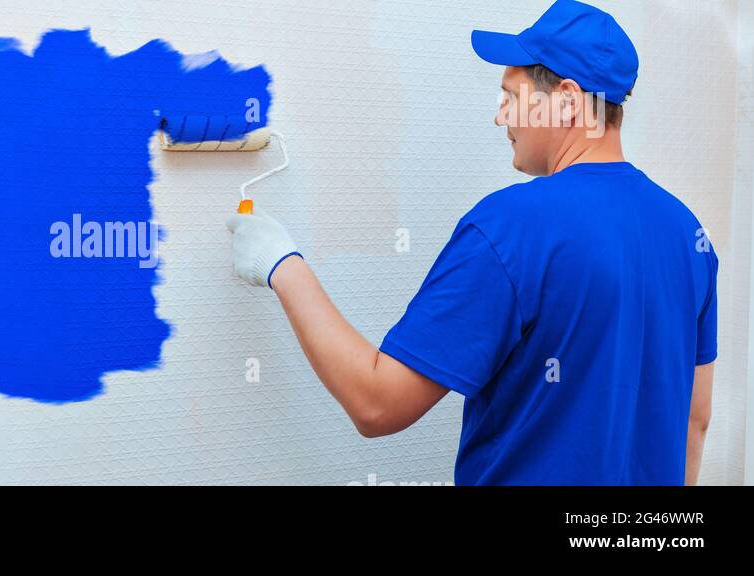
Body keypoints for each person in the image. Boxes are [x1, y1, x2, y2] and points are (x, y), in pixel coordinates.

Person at [226, 0, 717, 485]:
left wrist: (282, 265)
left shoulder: (513, 226)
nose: (501, 117)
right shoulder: (687, 233)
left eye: (511, 95)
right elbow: (694, 422)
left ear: (567, 100)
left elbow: (377, 404)